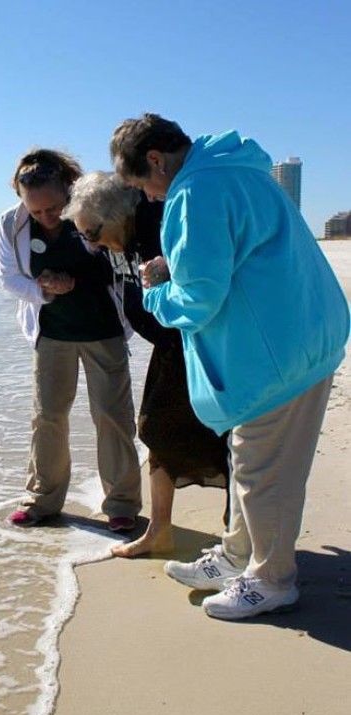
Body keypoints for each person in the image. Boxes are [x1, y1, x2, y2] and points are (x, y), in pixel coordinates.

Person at [110, 113, 349, 620]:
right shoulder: (234, 170)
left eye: (142, 184)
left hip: (277, 354)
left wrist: (154, 292)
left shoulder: (198, 192)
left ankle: (271, 580)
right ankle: (239, 556)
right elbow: (239, 252)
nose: (149, 197)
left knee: (265, 472)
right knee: (250, 461)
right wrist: (178, 265)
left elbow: (198, 301)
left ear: (156, 160)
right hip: (299, 332)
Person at [62, 171, 230, 557]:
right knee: (155, 431)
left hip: (199, 341)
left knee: (221, 436)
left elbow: (206, 272)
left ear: (118, 212)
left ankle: (236, 535)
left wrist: (168, 272)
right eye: (84, 235)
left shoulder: (160, 225)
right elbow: (97, 274)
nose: (91, 243)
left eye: (91, 233)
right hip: (167, 347)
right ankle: (159, 530)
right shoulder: (112, 242)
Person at [0, 149, 142, 530]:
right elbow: (9, 277)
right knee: (47, 416)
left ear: (69, 190)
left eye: (55, 208)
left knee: (112, 416)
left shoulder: (94, 206)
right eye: (37, 211)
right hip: (52, 333)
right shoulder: (12, 224)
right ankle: (42, 499)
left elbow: (121, 257)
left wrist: (78, 280)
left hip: (103, 328)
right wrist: (43, 289)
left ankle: (122, 504)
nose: (46, 217)